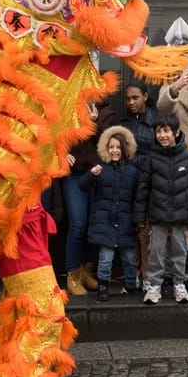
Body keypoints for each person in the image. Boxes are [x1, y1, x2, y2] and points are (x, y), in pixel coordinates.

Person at [134, 113, 188, 305]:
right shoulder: (151, 158)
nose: (162, 135)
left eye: (166, 131)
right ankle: (154, 286)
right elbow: (143, 189)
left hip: (182, 216)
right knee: (156, 251)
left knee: (180, 251)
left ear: (176, 132)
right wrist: (140, 217)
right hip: (157, 215)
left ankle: (179, 284)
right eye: (158, 131)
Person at [79, 125, 140, 301]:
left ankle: (131, 285)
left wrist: (137, 219)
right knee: (105, 257)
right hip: (104, 220)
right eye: (111, 147)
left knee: (129, 257)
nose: (114, 151)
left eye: (118, 147)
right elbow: (82, 186)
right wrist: (91, 175)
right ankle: (103, 286)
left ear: (125, 149)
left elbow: (137, 196)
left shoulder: (133, 171)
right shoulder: (100, 168)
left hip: (125, 220)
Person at [62, 100, 116, 296]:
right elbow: (54, 136)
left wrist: (94, 123)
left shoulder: (106, 113)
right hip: (74, 175)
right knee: (78, 224)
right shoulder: (66, 105)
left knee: (95, 224)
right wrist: (61, 154)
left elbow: (111, 142)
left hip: (97, 173)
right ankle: (73, 274)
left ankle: (87, 271)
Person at [120, 79, 158, 290]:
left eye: (135, 97)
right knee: (131, 227)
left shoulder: (156, 120)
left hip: (149, 180)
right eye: (128, 99)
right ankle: (132, 272)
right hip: (128, 179)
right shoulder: (123, 122)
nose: (131, 102)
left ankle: (148, 273)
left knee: (147, 229)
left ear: (145, 96)